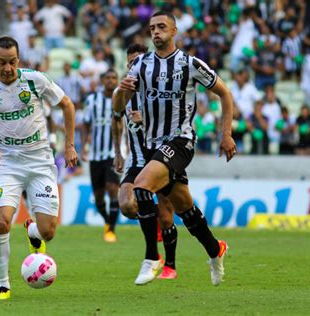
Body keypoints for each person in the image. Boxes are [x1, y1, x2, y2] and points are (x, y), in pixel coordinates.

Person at [113, 11, 237, 286]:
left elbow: (225, 93)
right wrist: (122, 92)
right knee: (185, 209)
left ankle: (151, 258)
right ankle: (216, 250)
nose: (156, 32)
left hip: (181, 141)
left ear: (174, 30)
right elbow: (119, 108)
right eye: (152, 28)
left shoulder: (190, 64)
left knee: (142, 187)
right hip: (151, 147)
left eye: (161, 27)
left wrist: (226, 134)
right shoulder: (141, 65)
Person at [0, 36, 78, 300]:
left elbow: (67, 105)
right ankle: (3, 286)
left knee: (48, 232)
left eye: (13, 62)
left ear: (19, 59)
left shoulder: (35, 80)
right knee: (2, 223)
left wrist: (69, 146)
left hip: (41, 163)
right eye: (2, 62)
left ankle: (33, 231)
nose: (8, 68)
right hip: (7, 164)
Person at [112, 43, 178, 283]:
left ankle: (169, 265)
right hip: (136, 160)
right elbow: (116, 117)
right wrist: (118, 152)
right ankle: (154, 247)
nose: (134, 66)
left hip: (162, 158)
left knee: (168, 215)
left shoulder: (160, 90)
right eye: (130, 63)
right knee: (127, 205)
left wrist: (147, 119)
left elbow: (173, 120)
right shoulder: (122, 93)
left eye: (137, 61)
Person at [82, 69, 121, 243]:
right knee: (98, 196)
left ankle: (111, 230)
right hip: (95, 154)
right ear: (102, 80)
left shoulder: (122, 99)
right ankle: (107, 221)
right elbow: (86, 125)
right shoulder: (92, 100)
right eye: (108, 78)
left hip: (114, 153)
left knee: (113, 188)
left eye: (114, 78)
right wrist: (83, 147)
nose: (111, 81)